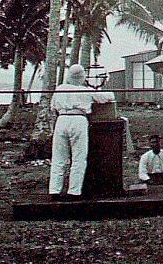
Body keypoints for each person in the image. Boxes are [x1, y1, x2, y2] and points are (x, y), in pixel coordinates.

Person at [49, 64, 114, 201]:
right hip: (78, 120)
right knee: (78, 158)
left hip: (62, 120)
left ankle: (54, 190)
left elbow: (53, 107)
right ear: (82, 77)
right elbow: (107, 97)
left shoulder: (59, 89)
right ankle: (74, 192)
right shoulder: (86, 91)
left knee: (58, 158)